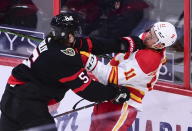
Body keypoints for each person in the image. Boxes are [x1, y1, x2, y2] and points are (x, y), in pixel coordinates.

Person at [0, 12, 145, 131]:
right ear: (67, 34)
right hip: (28, 105)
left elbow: (91, 44)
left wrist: (122, 44)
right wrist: (115, 93)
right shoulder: (63, 57)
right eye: (75, 31)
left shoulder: (53, 40)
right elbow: (88, 90)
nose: (77, 34)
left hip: (10, 96)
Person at [81, 21, 177, 131]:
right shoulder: (146, 41)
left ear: (159, 45)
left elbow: (112, 77)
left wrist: (89, 60)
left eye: (154, 37)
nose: (148, 35)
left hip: (122, 104)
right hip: (107, 96)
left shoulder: (149, 60)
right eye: (151, 31)